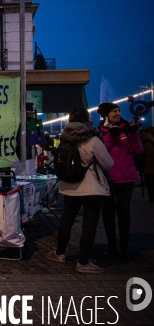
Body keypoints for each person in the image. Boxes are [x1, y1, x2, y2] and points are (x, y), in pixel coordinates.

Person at [45, 108, 113, 273]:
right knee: (89, 225)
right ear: (87, 120)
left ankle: (59, 253)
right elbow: (108, 163)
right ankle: (83, 263)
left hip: (70, 187)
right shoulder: (93, 140)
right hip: (92, 188)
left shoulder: (63, 140)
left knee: (66, 221)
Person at [97, 102, 144, 260]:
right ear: (106, 115)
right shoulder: (100, 131)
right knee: (108, 214)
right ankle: (111, 248)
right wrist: (111, 136)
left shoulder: (126, 128)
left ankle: (124, 248)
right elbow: (102, 152)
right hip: (109, 178)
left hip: (127, 178)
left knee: (124, 213)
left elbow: (138, 150)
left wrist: (134, 134)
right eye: (114, 111)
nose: (118, 113)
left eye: (119, 110)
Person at [144, 127, 154, 203]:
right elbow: (152, 153)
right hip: (151, 164)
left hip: (150, 165)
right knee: (151, 182)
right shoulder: (149, 142)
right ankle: (151, 196)